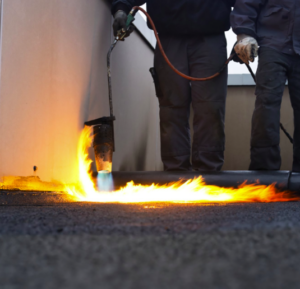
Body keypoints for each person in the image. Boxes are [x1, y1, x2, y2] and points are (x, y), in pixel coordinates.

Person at [112, 0, 235, 171]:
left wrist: (245, 34)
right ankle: (176, 174)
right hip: (168, 38)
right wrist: (120, 8)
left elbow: (246, 4)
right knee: (171, 108)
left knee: (210, 107)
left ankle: (209, 173)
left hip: (210, 38)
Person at [231, 0, 300, 172]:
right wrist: (244, 35)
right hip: (273, 45)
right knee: (266, 106)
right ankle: (264, 173)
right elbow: (246, 3)